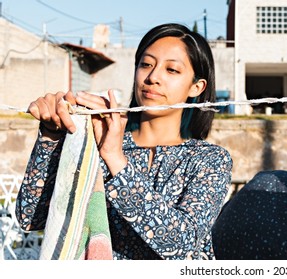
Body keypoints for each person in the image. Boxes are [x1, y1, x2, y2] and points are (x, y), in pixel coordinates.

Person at [15, 23, 233, 260]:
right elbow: (31, 218)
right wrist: (51, 135)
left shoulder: (209, 159)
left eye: (171, 70)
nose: (153, 77)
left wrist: (115, 160)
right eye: (146, 64)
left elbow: (182, 244)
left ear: (196, 87)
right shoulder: (96, 144)